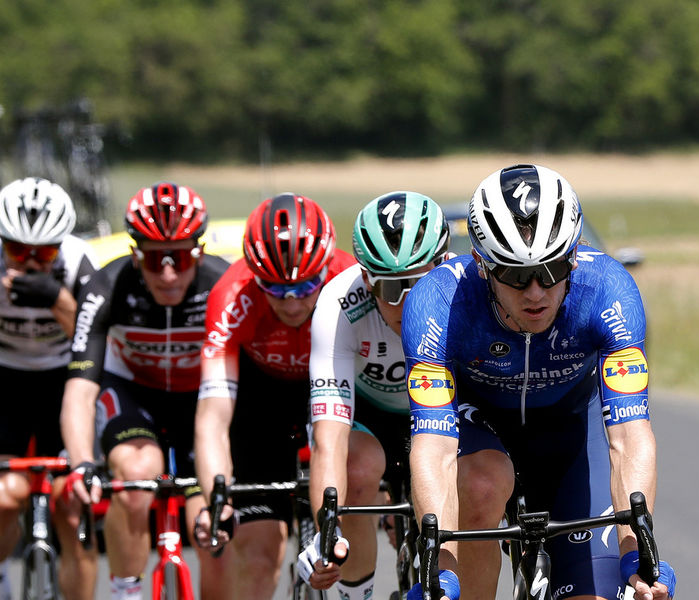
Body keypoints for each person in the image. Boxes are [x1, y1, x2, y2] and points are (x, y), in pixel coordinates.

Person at [401, 164, 676, 600]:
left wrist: (637, 553)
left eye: (551, 270)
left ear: (574, 255)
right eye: (513, 274)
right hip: (479, 427)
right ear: (481, 265)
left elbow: (628, 434)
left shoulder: (608, 289)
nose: (535, 292)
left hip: (569, 429)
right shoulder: (437, 301)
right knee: (481, 485)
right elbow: (433, 446)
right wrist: (442, 567)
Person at [60, 182, 229, 600]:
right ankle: (125, 591)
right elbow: (80, 388)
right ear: (136, 253)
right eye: (155, 258)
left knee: (211, 525)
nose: (168, 272)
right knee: (136, 479)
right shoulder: (107, 285)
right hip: (133, 394)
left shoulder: (224, 285)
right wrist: (82, 462)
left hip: (200, 403)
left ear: (200, 253)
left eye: (182, 256)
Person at [193, 192, 355, 600]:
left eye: (305, 286)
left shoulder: (350, 278)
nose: (293, 301)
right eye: (276, 288)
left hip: (340, 387)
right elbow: (213, 417)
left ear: (326, 269)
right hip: (260, 403)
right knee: (260, 553)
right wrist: (218, 497)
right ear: (255, 277)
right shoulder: (231, 296)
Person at [298, 191, 451, 596]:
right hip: (371, 417)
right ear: (366, 278)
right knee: (357, 464)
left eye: (418, 283)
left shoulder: (467, 295)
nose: (406, 302)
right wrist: (325, 533)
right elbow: (329, 440)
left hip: (443, 413)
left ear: (444, 266)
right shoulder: (338, 303)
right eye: (390, 288)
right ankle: (355, 591)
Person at [0, 177, 98, 600]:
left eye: (44, 252)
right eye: (18, 250)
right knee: (4, 499)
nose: (31, 262)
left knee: (73, 508)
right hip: (6, 377)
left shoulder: (79, 262)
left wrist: (57, 298)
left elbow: (96, 339)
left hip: (64, 376)